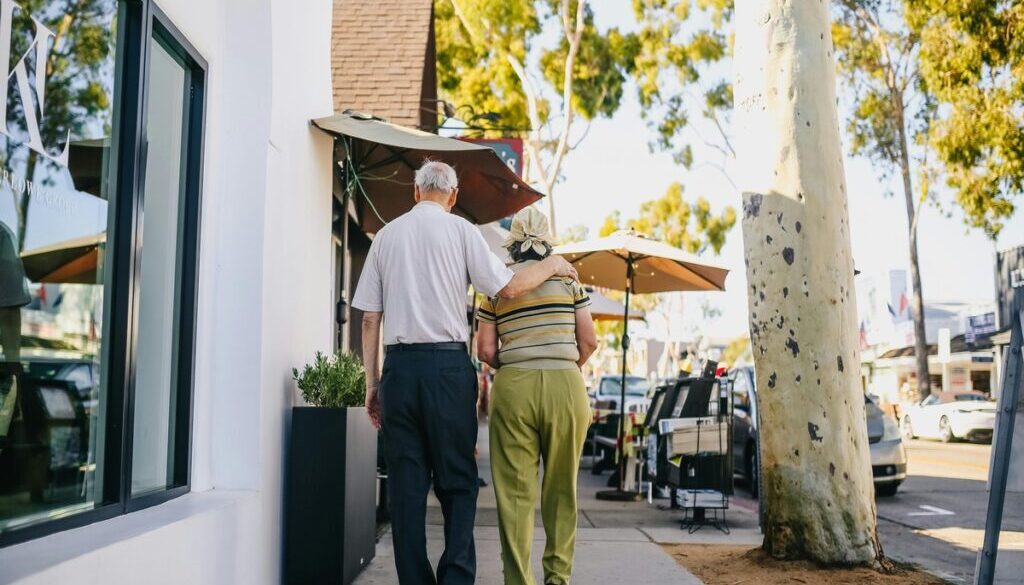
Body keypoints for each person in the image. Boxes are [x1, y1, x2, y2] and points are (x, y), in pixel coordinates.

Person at [353, 160, 578, 585]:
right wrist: (551, 266)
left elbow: (369, 319)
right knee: (458, 481)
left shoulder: (385, 236)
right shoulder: (462, 232)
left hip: (399, 369)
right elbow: (507, 287)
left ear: (415, 192)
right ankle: (455, 578)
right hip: (447, 370)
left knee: (406, 488)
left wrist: (373, 383)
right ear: (452, 197)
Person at [475, 207, 598, 585]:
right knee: (562, 490)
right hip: (566, 385)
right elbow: (589, 341)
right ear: (546, 242)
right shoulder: (569, 281)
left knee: (514, 496)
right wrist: (560, 360)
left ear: (513, 242)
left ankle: (519, 581)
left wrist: (516, 362)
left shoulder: (497, 283)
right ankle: (557, 579)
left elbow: (484, 349)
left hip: (514, 387)